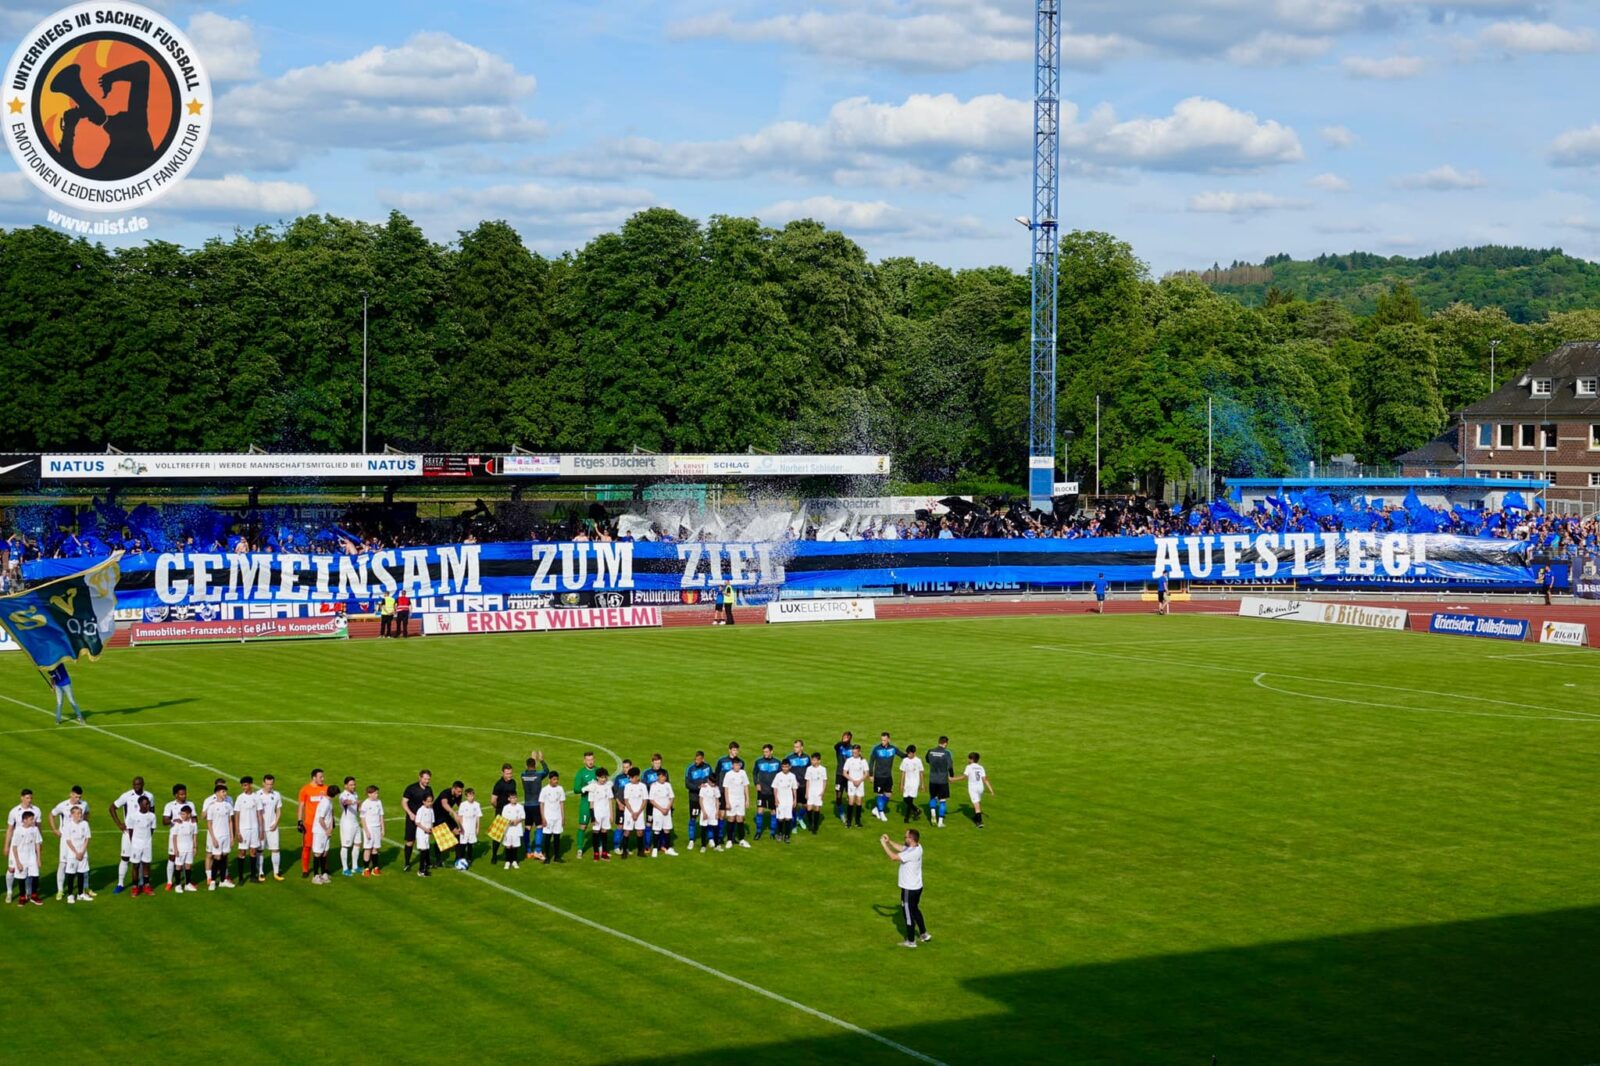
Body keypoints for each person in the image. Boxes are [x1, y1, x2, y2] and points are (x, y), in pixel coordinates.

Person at [880, 828, 929, 948]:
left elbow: (893, 857)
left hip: (909, 888)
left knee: (908, 914)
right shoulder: (917, 847)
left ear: (911, 839)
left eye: (905, 837)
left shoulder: (912, 853)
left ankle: (911, 941)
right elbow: (902, 848)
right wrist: (889, 842)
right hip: (917, 887)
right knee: (915, 910)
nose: (904, 839)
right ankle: (924, 934)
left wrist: (883, 844)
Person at [108, 776, 153, 894]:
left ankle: (142, 884)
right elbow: (112, 807)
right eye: (134, 785)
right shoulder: (127, 796)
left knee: (143, 861)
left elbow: (152, 813)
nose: (136, 787)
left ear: (143, 784)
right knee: (125, 858)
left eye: (138, 784)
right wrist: (119, 824)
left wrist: (149, 832)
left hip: (143, 834)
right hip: (128, 832)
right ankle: (120, 884)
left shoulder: (150, 796)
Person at [49, 786, 90, 900]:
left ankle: (84, 889)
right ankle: (60, 890)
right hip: (65, 839)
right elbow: (51, 815)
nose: (78, 799)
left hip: (79, 839)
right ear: (71, 794)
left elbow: (87, 813)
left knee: (83, 862)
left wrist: (84, 826)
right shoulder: (63, 805)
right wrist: (54, 829)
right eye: (76, 796)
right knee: (63, 864)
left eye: (80, 797)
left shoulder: (84, 804)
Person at [296, 768, 328, 878]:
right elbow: (301, 805)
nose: (323, 779)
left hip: (323, 824)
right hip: (309, 823)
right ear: (314, 777)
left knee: (324, 847)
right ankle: (305, 869)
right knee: (307, 846)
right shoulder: (305, 789)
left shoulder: (325, 789)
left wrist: (331, 820)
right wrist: (300, 821)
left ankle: (324, 869)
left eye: (323, 777)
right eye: (321, 777)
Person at [203, 783, 235, 890]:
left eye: (225, 792)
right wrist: (213, 838)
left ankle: (222, 881)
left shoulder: (228, 805)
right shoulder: (212, 807)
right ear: (217, 793)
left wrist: (231, 837)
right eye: (223, 792)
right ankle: (212, 881)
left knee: (224, 857)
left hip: (226, 836)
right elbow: (209, 824)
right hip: (217, 836)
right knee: (217, 858)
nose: (225, 794)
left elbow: (230, 822)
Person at [519, 753, 550, 862]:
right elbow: (547, 771)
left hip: (527, 805)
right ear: (535, 764)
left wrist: (532, 759)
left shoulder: (522, 775)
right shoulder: (538, 775)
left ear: (526, 765)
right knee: (539, 826)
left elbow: (527, 772)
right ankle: (537, 850)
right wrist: (541, 760)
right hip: (536, 805)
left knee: (527, 827)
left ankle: (528, 851)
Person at [234, 776, 265, 885]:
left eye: (245, 785)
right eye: (242, 785)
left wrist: (261, 830)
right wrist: (237, 831)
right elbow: (237, 815)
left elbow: (259, 815)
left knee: (253, 852)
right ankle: (241, 877)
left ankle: (253, 876)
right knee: (242, 852)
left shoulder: (256, 798)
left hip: (254, 829)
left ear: (250, 785)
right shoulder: (239, 798)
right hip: (243, 829)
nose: (244, 787)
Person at [401, 769, 433, 872]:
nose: (427, 781)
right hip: (412, 818)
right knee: (410, 840)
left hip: (424, 821)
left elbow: (430, 804)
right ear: (420, 777)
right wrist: (410, 813)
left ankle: (427, 863)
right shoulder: (411, 788)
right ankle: (407, 862)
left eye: (428, 779)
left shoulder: (429, 789)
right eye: (425, 779)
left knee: (425, 841)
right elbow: (404, 802)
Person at [9, 810, 44, 906]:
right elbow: (14, 847)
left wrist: (38, 859)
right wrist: (18, 862)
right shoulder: (18, 831)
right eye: (31, 819)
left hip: (32, 857)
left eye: (33, 819)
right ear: (24, 820)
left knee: (35, 876)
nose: (33, 821)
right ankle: (22, 897)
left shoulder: (35, 829)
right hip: (21, 858)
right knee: (21, 878)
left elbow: (37, 843)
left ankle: (34, 895)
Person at [160, 784, 190, 893]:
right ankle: (169, 882)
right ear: (175, 795)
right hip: (175, 836)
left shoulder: (190, 804)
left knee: (186, 859)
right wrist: (174, 820)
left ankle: (187, 882)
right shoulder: (170, 806)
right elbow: (164, 821)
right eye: (181, 794)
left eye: (185, 793)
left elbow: (195, 818)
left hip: (187, 837)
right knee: (172, 857)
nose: (184, 796)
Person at [126, 796, 157, 896]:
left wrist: (147, 840)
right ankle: (135, 887)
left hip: (147, 844)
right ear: (140, 804)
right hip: (136, 844)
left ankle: (146, 885)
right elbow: (130, 830)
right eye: (146, 804)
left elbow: (152, 830)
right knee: (135, 865)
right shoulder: (133, 816)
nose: (148, 805)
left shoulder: (152, 816)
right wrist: (134, 843)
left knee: (146, 864)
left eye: (148, 803)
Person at [683, 751, 714, 851]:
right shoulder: (690, 769)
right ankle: (691, 840)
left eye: (699, 759)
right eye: (695, 759)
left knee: (708, 817)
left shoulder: (708, 767)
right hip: (695, 798)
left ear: (703, 759)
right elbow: (687, 784)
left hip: (707, 798)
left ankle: (710, 838)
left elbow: (712, 779)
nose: (696, 761)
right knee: (693, 818)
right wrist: (698, 787)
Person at [489, 764, 519, 866]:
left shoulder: (513, 783)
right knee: (497, 835)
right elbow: (493, 800)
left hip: (512, 813)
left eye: (510, 773)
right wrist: (499, 809)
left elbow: (514, 796)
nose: (509, 775)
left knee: (511, 834)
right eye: (507, 773)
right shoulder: (499, 784)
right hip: (501, 812)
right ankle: (494, 855)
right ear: (502, 773)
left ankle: (510, 858)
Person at [955, 752, 995, 828]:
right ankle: (976, 817)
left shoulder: (969, 767)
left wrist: (953, 779)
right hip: (981, 787)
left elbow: (964, 777)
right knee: (977, 802)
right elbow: (985, 779)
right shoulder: (981, 767)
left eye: (969, 758)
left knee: (976, 805)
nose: (968, 760)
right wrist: (991, 790)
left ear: (972, 759)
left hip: (973, 788)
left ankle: (979, 822)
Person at [61, 805, 91, 903]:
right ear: (72, 814)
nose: (79, 815)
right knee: (71, 874)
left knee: (82, 873)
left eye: (80, 813)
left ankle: (80, 894)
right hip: (72, 854)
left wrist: (82, 852)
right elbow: (68, 841)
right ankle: (70, 895)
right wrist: (76, 852)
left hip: (83, 853)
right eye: (77, 813)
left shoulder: (85, 824)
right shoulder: (68, 826)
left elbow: (87, 838)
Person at [868, 732, 901, 822]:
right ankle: (881, 813)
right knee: (879, 794)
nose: (883, 742)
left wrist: (910, 755)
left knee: (888, 794)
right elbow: (871, 761)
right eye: (882, 740)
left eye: (885, 740)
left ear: (888, 740)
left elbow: (902, 755)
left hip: (888, 776)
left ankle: (876, 809)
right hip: (878, 776)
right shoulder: (876, 749)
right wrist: (871, 775)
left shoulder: (893, 749)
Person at [258, 774, 285, 881]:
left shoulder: (277, 794)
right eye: (267, 784)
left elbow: (278, 810)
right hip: (261, 828)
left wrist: (276, 822)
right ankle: (260, 872)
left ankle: (276, 872)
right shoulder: (257, 795)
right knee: (260, 850)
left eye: (271, 784)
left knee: (276, 849)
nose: (269, 786)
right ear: (263, 783)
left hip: (273, 827)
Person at [752, 744, 781, 841]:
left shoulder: (777, 763)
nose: (765, 754)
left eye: (767, 752)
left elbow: (781, 776)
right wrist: (756, 783)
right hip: (762, 791)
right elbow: (754, 773)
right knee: (760, 811)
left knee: (773, 812)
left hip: (773, 792)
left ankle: (773, 833)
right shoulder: (758, 762)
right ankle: (758, 831)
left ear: (771, 751)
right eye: (764, 752)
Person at [573, 752, 599, 859]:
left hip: (598, 803)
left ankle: (599, 847)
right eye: (588, 760)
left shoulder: (598, 770)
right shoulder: (581, 773)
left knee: (597, 827)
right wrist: (585, 788)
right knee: (583, 826)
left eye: (592, 759)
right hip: (585, 803)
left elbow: (605, 781)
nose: (590, 761)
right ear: (584, 760)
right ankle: (580, 848)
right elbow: (576, 789)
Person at [925, 737, 955, 829]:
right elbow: (950, 766)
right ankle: (940, 822)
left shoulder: (930, 751)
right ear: (945, 743)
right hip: (942, 780)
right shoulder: (946, 753)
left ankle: (933, 814)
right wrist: (952, 776)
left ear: (939, 742)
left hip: (933, 779)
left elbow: (927, 760)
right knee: (942, 800)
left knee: (932, 797)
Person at [722, 757, 751, 848]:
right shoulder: (728, 774)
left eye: (739, 765)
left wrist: (747, 800)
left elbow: (746, 786)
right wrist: (727, 802)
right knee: (731, 819)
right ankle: (730, 840)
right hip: (731, 799)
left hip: (741, 799)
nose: (737, 767)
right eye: (735, 765)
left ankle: (741, 839)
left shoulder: (743, 773)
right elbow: (726, 789)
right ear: (732, 765)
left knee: (740, 819)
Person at [538, 772, 566, 864]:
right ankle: (547, 857)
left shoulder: (560, 789)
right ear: (549, 779)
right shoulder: (545, 790)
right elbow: (541, 804)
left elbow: (562, 803)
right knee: (547, 837)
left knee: (557, 837)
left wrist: (563, 817)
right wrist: (543, 818)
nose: (556, 781)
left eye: (557, 779)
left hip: (557, 817)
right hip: (548, 817)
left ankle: (557, 857)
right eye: (554, 779)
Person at [309, 785, 335, 883]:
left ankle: (324, 874)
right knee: (318, 853)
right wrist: (326, 829)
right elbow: (321, 819)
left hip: (326, 831)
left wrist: (331, 827)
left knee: (325, 852)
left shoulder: (329, 801)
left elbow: (330, 816)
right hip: (320, 831)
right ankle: (315, 876)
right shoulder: (325, 803)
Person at [647, 771, 676, 857]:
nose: (664, 778)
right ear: (658, 777)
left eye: (665, 777)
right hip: (657, 812)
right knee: (657, 830)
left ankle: (668, 848)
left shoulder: (668, 785)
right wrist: (661, 809)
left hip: (667, 811)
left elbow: (672, 797)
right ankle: (655, 849)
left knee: (667, 829)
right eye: (662, 777)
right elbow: (651, 800)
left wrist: (667, 808)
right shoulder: (654, 786)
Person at [337, 777, 362, 877]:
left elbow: (358, 808)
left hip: (355, 822)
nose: (353, 786)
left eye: (354, 784)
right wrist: (354, 802)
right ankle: (345, 868)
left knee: (358, 843)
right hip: (347, 823)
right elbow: (345, 802)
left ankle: (355, 866)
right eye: (351, 785)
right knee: (345, 846)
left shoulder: (355, 794)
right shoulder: (343, 795)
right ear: (346, 785)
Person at [609, 759, 634, 856]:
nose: (625, 769)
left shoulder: (634, 778)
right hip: (621, 806)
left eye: (627, 767)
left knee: (628, 827)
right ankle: (616, 846)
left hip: (630, 807)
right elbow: (614, 792)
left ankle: (625, 847)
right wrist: (619, 803)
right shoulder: (619, 778)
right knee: (620, 826)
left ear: (631, 767)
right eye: (624, 767)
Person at [771, 761, 799, 844]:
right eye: (783, 767)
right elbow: (775, 788)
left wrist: (795, 800)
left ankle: (787, 835)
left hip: (789, 800)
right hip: (780, 800)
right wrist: (776, 799)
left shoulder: (792, 776)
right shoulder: (778, 775)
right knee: (780, 818)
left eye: (786, 767)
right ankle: (779, 833)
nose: (784, 768)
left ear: (789, 767)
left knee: (788, 818)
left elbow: (794, 788)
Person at [171, 806, 198, 891]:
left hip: (189, 847)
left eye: (183, 814)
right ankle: (178, 885)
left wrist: (195, 847)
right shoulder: (178, 823)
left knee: (188, 866)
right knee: (178, 866)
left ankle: (187, 884)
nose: (181, 815)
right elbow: (174, 836)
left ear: (189, 814)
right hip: (180, 848)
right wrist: (175, 849)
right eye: (181, 813)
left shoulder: (193, 823)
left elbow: (195, 836)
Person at [360, 785, 384, 875]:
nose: (377, 795)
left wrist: (383, 829)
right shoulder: (365, 804)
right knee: (367, 848)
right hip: (369, 828)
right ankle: (366, 869)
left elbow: (381, 816)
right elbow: (362, 818)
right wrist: (366, 831)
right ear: (369, 794)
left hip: (377, 828)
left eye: (377, 793)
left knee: (375, 848)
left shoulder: (379, 802)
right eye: (375, 793)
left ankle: (375, 868)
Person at [842, 744, 869, 828]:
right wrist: (853, 780)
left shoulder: (863, 761)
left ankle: (858, 821)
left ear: (859, 752)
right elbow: (844, 772)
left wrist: (860, 780)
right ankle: (849, 821)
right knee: (851, 802)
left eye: (855, 753)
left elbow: (866, 773)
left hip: (860, 784)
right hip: (851, 783)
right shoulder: (849, 760)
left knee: (859, 802)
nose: (854, 754)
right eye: (853, 752)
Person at [832, 731, 855, 823]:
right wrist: (843, 742)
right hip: (839, 775)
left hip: (849, 776)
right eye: (843, 737)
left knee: (851, 796)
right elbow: (835, 746)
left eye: (846, 737)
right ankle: (842, 814)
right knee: (838, 796)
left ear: (850, 738)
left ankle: (850, 815)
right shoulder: (839, 747)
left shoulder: (852, 749)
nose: (844, 738)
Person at [803, 753, 828, 835]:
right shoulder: (809, 769)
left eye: (814, 760)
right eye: (812, 760)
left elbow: (824, 781)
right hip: (811, 790)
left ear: (819, 761)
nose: (812, 761)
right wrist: (807, 792)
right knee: (809, 808)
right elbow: (808, 781)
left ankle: (815, 826)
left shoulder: (823, 769)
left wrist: (823, 792)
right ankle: (810, 822)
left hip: (819, 791)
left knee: (817, 808)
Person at [899, 745, 925, 823]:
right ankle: (916, 810)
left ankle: (906, 818)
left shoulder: (918, 761)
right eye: (908, 753)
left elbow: (921, 772)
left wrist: (922, 784)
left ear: (914, 753)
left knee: (910, 800)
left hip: (914, 783)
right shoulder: (905, 760)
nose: (909, 755)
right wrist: (901, 784)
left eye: (910, 753)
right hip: (907, 782)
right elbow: (903, 773)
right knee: (905, 799)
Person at [695, 777, 722, 852]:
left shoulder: (716, 788)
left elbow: (717, 800)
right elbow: (700, 800)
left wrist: (717, 812)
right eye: (712, 782)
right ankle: (703, 846)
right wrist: (703, 812)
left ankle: (717, 845)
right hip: (705, 810)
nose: (713, 784)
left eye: (714, 782)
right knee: (704, 828)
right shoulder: (704, 787)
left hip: (713, 811)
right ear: (708, 781)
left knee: (715, 827)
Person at [414, 787, 436, 878]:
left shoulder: (431, 810)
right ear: (423, 802)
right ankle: (421, 870)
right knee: (423, 851)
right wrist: (425, 829)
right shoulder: (421, 810)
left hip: (427, 833)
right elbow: (417, 822)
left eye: (431, 801)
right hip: (421, 833)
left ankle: (426, 866)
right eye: (428, 801)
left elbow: (432, 821)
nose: (429, 803)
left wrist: (431, 829)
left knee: (426, 849)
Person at [457, 787, 482, 867]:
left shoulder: (477, 805)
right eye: (469, 796)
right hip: (464, 828)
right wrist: (460, 827)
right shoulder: (463, 805)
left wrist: (477, 828)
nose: (471, 797)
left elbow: (478, 817)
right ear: (466, 796)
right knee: (463, 845)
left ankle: (469, 859)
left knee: (470, 844)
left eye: (472, 795)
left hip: (472, 828)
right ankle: (460, 859)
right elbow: (460, 817)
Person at [500, 795, 525, 869]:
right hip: (508, 830)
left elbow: (523, 817)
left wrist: (517, 821)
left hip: (516, 829)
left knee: (515, 845)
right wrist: (509, 822)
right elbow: (503, 817)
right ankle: (507, 861)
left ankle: (514, 861)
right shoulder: (506, 807)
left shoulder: (520, 807)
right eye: (512, 798)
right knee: (508, 845)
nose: (514, 799)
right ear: (509, 799)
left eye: (515, 798)